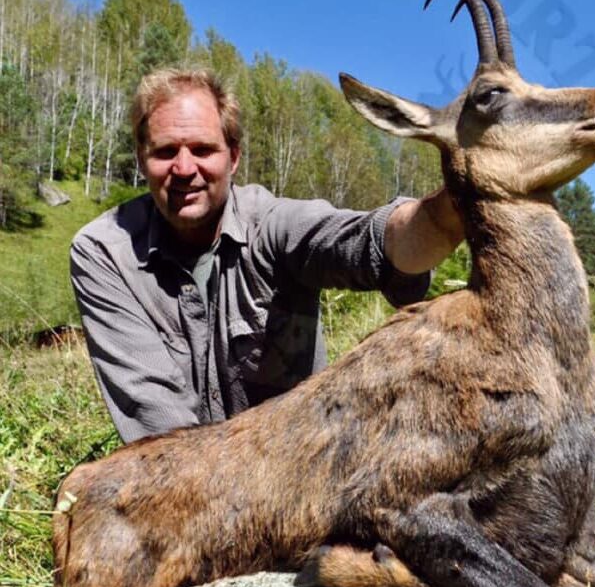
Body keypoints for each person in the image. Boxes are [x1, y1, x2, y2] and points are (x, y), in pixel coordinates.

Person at [71, 68, 463, 443]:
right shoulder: (104, 253)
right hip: (183, 477)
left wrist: (462, 198)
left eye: (203, 149)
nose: (185, 168)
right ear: (141, 160)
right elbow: (155, 416)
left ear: (233, 157)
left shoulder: (273, 224)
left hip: (295, 464)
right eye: (165, 151)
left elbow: (372, 241)